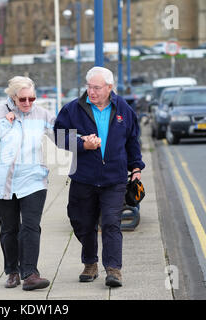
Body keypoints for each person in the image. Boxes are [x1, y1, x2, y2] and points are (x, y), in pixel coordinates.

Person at [54, 66, 145, 287]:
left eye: (97, 88)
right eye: (89, 87)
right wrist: (82, 144)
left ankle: (114, 270)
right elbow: (58, 136)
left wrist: (136, 168)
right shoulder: (73, 109)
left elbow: (132, 140)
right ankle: (90, 263)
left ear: (109, 88)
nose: (92, 92)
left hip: (114, 179)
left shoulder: (123, 108)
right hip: (83, 178)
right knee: (82, 223)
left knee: (112, 223)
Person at [0, 76, 56, 291]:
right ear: (13, 97)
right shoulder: (0, 113)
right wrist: (5, 123)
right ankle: (12, 271)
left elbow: (63, 135)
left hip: (33, 179)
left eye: (32, 98)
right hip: (3, 182)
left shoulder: (41, 114)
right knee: (9, 229)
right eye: (23, 99)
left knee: (31, 225)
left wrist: (86, 141)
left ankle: (30, 273)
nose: (29, 103)